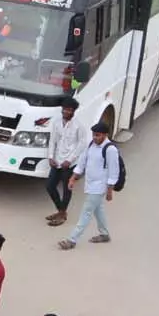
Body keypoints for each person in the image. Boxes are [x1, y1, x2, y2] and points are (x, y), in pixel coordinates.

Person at [60, 123, 120, 249]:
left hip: (100, 186)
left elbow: (114, 171)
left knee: (86, 211)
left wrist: (110, 189)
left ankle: (72, 240)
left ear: (105, 135)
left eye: (97, 135)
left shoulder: (110, 150)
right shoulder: (91, 145)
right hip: (90, 183)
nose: (95, 137)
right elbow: (82, 162)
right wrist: (73, 178)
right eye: (93, 135)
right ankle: (104, 234)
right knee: (98, 210)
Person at [45, 97, 88, 226]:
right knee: (50, 186)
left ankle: (62, 214)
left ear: (74, 111)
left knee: (66, 188)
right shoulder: (57, 123)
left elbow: (82, 144)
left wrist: (70, 160)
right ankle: (61, 211)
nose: (66, 112)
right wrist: (51, 156)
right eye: (65, 109)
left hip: (69, 164)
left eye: (69, 110)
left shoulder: (78, 126)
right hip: (57, 161)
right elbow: (53, 140)